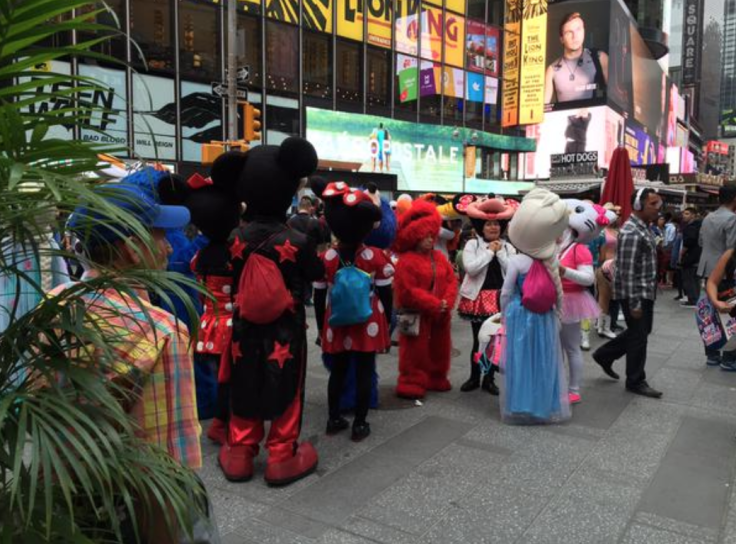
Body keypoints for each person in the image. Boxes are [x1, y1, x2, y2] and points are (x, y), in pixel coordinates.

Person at [65, 175, 204, 542]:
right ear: (131, 247)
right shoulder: (162, 333)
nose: (169, 248)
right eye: (159, 235)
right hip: (131, 514)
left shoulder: (54, 304)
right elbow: (166, 470)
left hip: (65, 500)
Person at [216, 137, 325, 486]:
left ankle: (240, 452)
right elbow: (316, 274)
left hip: (244, 327)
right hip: (287, 328)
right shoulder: (297, 240)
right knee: (288, 385)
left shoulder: (234, 237)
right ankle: (281, 455)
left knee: (244, 380)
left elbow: (228, 271)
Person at [312, 181, 394, 442]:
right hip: (368, 319)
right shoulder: (376, 256)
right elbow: (386, 292)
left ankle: (333, 417)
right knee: (364, 371)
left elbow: (318, 294)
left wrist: (319, 327)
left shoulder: (326, 258)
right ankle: (360, 422)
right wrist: (388, 323)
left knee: (338, 371)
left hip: (336, 321)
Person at [501, 189, 570, 424]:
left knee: (521, 360)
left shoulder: (516, 262)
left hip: (520, 315)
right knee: (543, 360)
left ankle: (521, 403)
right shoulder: (550, 261)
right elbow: (557, 291)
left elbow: (506, 292)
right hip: (544, 316)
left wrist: (503, 316)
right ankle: (544, 405)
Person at [592, 188, 663, 399]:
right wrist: (635, 303)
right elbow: (627, 270)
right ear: (639, 205)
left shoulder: (642, 227)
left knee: (639, 332)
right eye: (653, 204)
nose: (657, 208)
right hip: (636, 293)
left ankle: (604, 354)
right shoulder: (632, 231)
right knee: (639, 337)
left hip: (643, 292)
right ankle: (635, 380)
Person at [393, 199, 458, 400]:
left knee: (440, 346)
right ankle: (411, 380)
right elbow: (407, 291)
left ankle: (436, 375)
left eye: (432, 235)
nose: (430, 240)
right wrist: (435, 304)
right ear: (415, 236)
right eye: (425, 236)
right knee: (414, 349)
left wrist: (446, 302)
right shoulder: (406, 261)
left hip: (440, 312)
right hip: (418, 313)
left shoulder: (439, 257)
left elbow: (451, 280)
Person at [457, 197, 518, 395]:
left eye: (496, 224)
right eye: (489, 224)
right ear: (481, 226)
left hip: (501, 298)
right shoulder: (472, 245)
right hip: (478, 299)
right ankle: (474, 377)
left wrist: (499, 252)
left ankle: (489, 379)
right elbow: (471, 269)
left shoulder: (508, 247)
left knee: (496, 341)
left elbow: (512, 271)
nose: (493, 228)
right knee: (479, 340)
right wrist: (489, 253)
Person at [558, 200, 613, 404]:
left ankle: (573, 389)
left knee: (571, 347)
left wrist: (564, 271)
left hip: (571, 301)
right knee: (555, 348)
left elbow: (588, 278)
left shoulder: (579, 249)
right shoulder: (556, 247)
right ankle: (558, 385)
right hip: (552, 300)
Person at [698, 185, 736, 368]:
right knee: (730, 315)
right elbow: (732, 247)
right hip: (725, 272)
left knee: (709, 316)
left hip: (706, 268)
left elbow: (701, 241)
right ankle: (729, 358)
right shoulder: (732, 219)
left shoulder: (708, 217)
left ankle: (712, 355)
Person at [544, 12, 609, 104]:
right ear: (561, 39)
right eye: (569, 32)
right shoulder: (552, 70)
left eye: (578, 29)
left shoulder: (600, 58)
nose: (575, 36)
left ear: (584, 31)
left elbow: (615, 97)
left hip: (595, 116)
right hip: (563, 118)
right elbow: (543, 108)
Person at [680, 207, 702, 308]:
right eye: (684, 213)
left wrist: (682, 252)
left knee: (689, 278)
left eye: (687, 213)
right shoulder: (700, 225)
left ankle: (693, 299)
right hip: (698, 255)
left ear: (693, 215)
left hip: (691, 256)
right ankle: (695, 298)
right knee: (695, 278)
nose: (684, 215)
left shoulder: (691, 227)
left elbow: (689, 241)